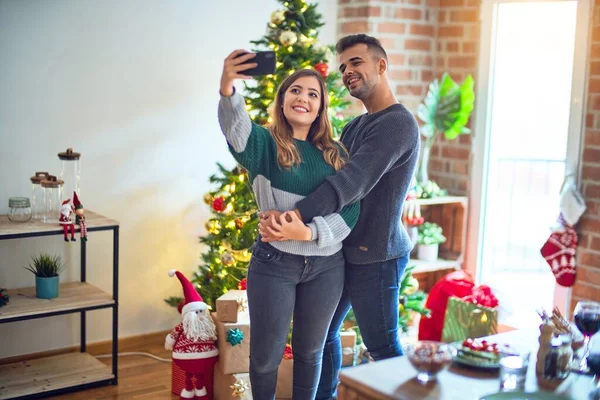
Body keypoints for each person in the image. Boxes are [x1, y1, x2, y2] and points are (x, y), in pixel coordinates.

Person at [258, 34, 420, 399]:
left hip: (376, 256)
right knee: (323, 337)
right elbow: (324, 173)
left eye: (356, 63)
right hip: (341, 252)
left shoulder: (397, 124)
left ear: (381, 65)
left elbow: (350, 183)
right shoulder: (355, 126)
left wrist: (291, 218)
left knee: (382, 349)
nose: (347, 72)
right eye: (344, 66)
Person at [218, 49, 360, 400]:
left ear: (321, 108)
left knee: (311, 353)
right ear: (282, 101)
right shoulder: (264, 145)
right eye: (296, 90)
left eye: (313, 94)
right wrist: (228, 87)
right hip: (274, 265)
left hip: (328, 266)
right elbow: (236, 129)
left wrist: (308, 232)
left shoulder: (336, 154)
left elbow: (352, 210)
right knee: (265, 357)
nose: (304, 98)